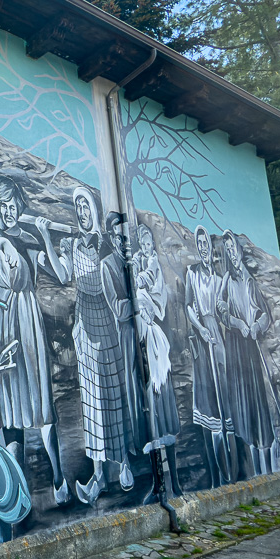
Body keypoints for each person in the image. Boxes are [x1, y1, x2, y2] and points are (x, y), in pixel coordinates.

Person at [0, 176, 70, 506]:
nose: (9, 211)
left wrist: (46, 238)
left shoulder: (27, 237)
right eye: (4, 205)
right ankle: (19, 486)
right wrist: (2, 243)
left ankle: (58, 477)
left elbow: (59, 273)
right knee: (9, 398)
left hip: (26, 318)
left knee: (38, 395)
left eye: (13, 205)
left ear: (20, 206)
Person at [43, 186, 133, 504]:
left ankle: (123, 464)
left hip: (105, 319)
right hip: (84, 322)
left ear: (93, 210)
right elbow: (62, 274)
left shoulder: (106, 243)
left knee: (112, 394)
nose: (82, 213)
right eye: (78, 207)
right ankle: (98, 476)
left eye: (86, 207)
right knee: (92, 403)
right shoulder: (71, 244)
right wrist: (46, 238)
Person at [217, 230, 274, 477]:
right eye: (227, 249)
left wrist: (256, 326)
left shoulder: (250, 280)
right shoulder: (227, 280)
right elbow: (220, 309)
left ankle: (265, 457)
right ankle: (248, 457)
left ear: (239, 250)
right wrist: (237, 323)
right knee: (240, 395)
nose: (231, 252)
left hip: (251, 344)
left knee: (256, 396)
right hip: (235, 344)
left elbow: (265, 314)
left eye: (233, 247)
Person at [133, 223, 182, 498]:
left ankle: (175, 480)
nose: (146, 246)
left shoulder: (153, 266)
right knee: (151, 421)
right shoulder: (139, 263)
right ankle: (158, 483)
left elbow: (153, 297)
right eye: (142, 242)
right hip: (144, 352)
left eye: (148, 241)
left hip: (157, 352)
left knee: (164, 416)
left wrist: (143, 296)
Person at [185, 225, 231, 487]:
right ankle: (215, 465)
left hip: (219, 335)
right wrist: (201, 329)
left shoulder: (219, 277)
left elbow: (224, 309)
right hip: (203, 334)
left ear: (211, 248)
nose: (203, 248)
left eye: (206, 244)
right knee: (208, 391)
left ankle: (228, 459)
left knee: (223, 385)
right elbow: (188, 306)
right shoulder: (192, 273)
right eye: (199, 244)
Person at [101, 211, 147, 459]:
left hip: (144, 330)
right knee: (131, 386)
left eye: (127, 238)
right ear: (112, 238)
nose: (124, 243)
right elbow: (118, 309)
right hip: (124, 335)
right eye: (119, 238)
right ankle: (138, 442)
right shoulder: (107, 265)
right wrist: (140, 302)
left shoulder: (136, 262)